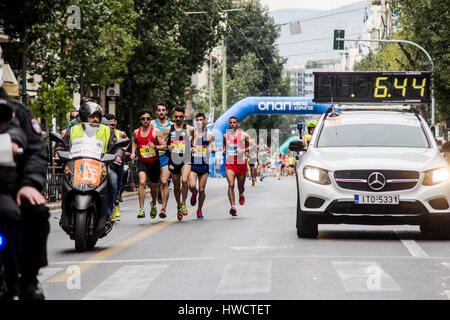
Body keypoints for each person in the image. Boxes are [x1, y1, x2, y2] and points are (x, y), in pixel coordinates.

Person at [0, 45, 50, 300]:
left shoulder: (17, 113)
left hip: (11, 188)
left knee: (37, 213)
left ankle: (29, 279)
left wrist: (29, 183)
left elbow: (35, 152)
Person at [57, 102, 124, 221]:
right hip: (77, 169)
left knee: (113, 179)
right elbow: (62, 146)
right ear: (84, 117)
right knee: (64, 181)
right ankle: (65, 213)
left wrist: (117, 155)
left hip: (100, 169)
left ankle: (108, 211)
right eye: (92, 116)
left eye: (97, 116)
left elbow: (117, 147)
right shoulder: (73, 130)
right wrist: (58, 153)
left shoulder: (107, 130)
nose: (95, 119)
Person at [131, 110, 166, 219]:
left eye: (147, 119)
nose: (145, 121)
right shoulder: (136, 132)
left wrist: (155, 147)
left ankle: (154, 204)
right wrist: (133, 152)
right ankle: (141, 209)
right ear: (140, 120)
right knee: (142, 182)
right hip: (142, 162)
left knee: (153, 187)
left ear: (150, 120)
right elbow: (135, 141)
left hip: (154, 162)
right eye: (143, 119)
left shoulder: (156, 132)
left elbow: (164, 146)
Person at [167, 106, 194, 221]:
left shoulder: (190, 129)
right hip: (173, 159)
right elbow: (163, 143)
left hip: (186, 158)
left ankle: (183, 203)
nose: (178, 118)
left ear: (184, 117)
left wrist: (192, 147)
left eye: (180, 116)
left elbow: (195, 140)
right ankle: (178, 205)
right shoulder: (169, 129)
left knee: (184, 180)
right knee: (176, 185)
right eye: (176, 116)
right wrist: (168, 147)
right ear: (174, 116)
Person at [223, 116, 254, 216]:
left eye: (234, 122)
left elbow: (254, 145)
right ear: (229, 124)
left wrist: (243, 150)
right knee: (231, 184)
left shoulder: (244, 135)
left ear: (238, 124)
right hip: (230, 163)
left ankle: (241, 194)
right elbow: (225, 145)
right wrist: (224, 150)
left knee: (241, 187)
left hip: (241, 163)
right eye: (231, 123)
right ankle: (233, 206)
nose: (232, 124)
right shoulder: (225, 136)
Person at [188, 113, 216, 219]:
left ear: (205, 121)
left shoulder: (209, 134)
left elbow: (213, 145)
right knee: (191, 185)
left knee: (202, 190)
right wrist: (190, 148)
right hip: (194, 164)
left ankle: (199, 210)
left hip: (204, 165)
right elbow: (188, 144)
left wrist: (214, 149)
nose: (199, 121)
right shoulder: (193, 133)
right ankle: (194, 193)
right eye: (197, 120)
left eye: (201, 120)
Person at [104, 113, 129, 221]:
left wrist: (122, 151)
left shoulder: (120, 133)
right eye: (109, 125)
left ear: (116, 123)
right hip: (106, 162)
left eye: (113, 124)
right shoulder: (103, 133)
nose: (111, 127)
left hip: (118, 161)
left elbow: (127, 142)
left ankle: (116, 204)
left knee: (118, 183)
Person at [150, 102, 172, 218]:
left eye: (163, 110)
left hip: (166, 156)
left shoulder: (171, 125)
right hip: (153, 156)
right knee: (155, 184)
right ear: (156, 112)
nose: (161, 112)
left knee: (164, 182)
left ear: (166, 112)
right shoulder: (152, 124)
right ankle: (154, 202)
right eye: (159, 110)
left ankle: (163, 209)